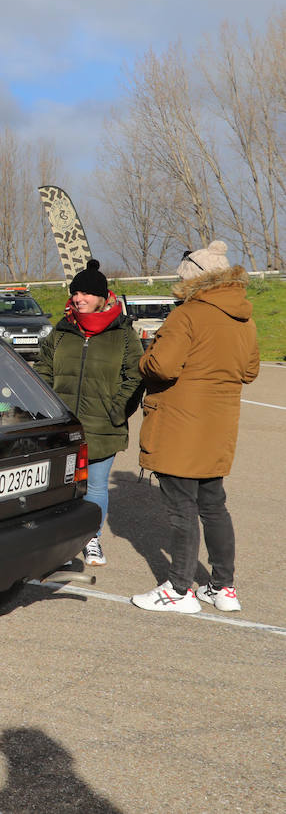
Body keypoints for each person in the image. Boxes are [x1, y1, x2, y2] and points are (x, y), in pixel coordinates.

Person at [132, 241, 259, 613]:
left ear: (193, 280)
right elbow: (250, 372)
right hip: (218, 428)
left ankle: (179, 589)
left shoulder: (186, 316)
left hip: (178, 427)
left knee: (181, 509)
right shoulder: (244, 318)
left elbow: (163, 366)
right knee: (214, 506)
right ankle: (223, 587)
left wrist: (147, 355)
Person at [33, 260, 142, 567]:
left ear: (101, 297)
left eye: (85, 293)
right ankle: (64, 545)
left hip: (103, 426)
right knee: (61, 487)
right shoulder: (62, 329)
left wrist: (116, 411)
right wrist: (47, 409)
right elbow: (42, 370)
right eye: (75, 292)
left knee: (94, 486)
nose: (78, 298)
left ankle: (90, 539)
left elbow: (135, 376)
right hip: (62, 426)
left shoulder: (123, 334)